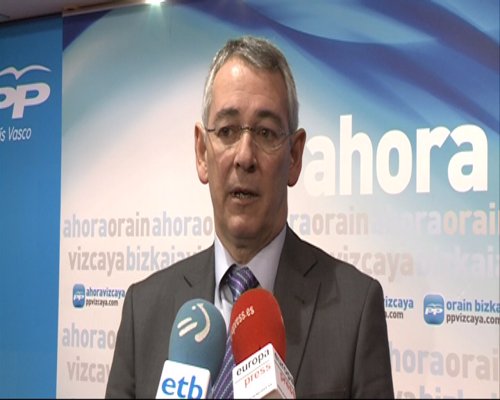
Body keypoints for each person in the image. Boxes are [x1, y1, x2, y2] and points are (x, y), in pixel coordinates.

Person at [106, 35, 394, 399]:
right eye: (227, 131)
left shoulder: (355, 309)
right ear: (202, 151)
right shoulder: (144, 309)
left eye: (265, 133)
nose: (244, 156)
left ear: (294, 156)